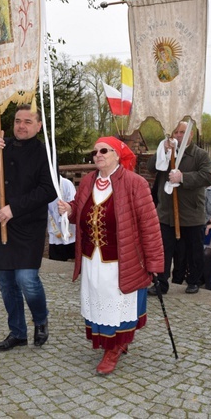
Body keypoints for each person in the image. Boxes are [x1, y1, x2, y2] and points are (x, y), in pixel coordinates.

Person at [57, 136, 164, 375]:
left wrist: (154, 262)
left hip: (122, 260)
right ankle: (114, 341)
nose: (98, 155)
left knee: (117, 306)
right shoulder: (87, 181)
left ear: (118, 155)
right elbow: (79, 209)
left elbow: (149, 225)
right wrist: (70, 210)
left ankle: (114, 348)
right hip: (91, 259)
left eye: (104, 150)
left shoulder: (135, 183)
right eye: (94, 152)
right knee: (99, 304)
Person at [0, 105, 57, 351]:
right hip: (0, 225)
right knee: (6, 281)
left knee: (26, 279)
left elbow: (48, 190)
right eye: (18, 120)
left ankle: (40, 320)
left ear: (38, 126)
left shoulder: (44, 153)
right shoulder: (2, 145)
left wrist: (14, 208)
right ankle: (17, 332)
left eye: (28, 121)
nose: (21, 125)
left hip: (27, 225)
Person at [148, 120, 211, 295]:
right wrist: (162, 151)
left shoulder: (200, 155)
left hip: (191, 212)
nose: (178, 135)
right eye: (175, 132)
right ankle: (161, 283)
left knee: (194, 251)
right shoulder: (166, 152)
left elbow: (208, 176)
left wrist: (183, 177)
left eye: (182, 132)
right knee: (163, 250)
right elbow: (150, 168)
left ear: (190, 134)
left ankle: (193, 281)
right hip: (166, 213)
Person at [47, 175, 76, 261]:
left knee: (74, 260)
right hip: (54, 230)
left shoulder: (66, 184)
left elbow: (73, 203)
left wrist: (64, 214)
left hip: (69, 228)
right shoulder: (45, 186)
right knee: (56, 260)